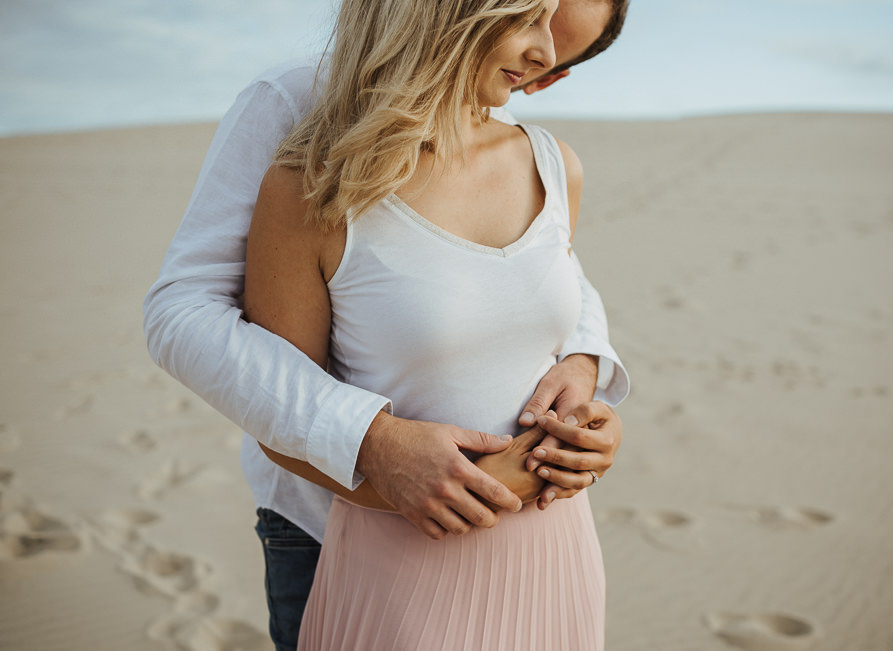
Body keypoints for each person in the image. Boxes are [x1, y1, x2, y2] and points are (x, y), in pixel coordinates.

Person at [142, 0, 630, 648]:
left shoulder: (533, 153)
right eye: (529, 16)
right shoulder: (297, 110)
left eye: (554, 45)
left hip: (547, 541)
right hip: (330, 525)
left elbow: (550, 273)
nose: (538, 51)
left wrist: (584, 362)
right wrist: (370, 440)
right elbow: (183, 308)